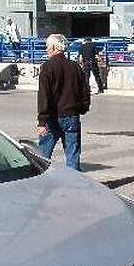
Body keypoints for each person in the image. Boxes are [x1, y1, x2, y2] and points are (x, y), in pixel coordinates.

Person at [37, 34, 90, 171]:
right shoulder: (75, 67)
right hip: (72, 116)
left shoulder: (47, 67)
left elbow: (44, 96)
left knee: (43, 155)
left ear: (54, 47)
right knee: (73, 154)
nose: (46, 50)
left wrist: (42, 121)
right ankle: (74, 184)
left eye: (47, 47)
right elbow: (85, 91)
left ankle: (40, 182)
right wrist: (82, 108)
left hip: (53, 118)